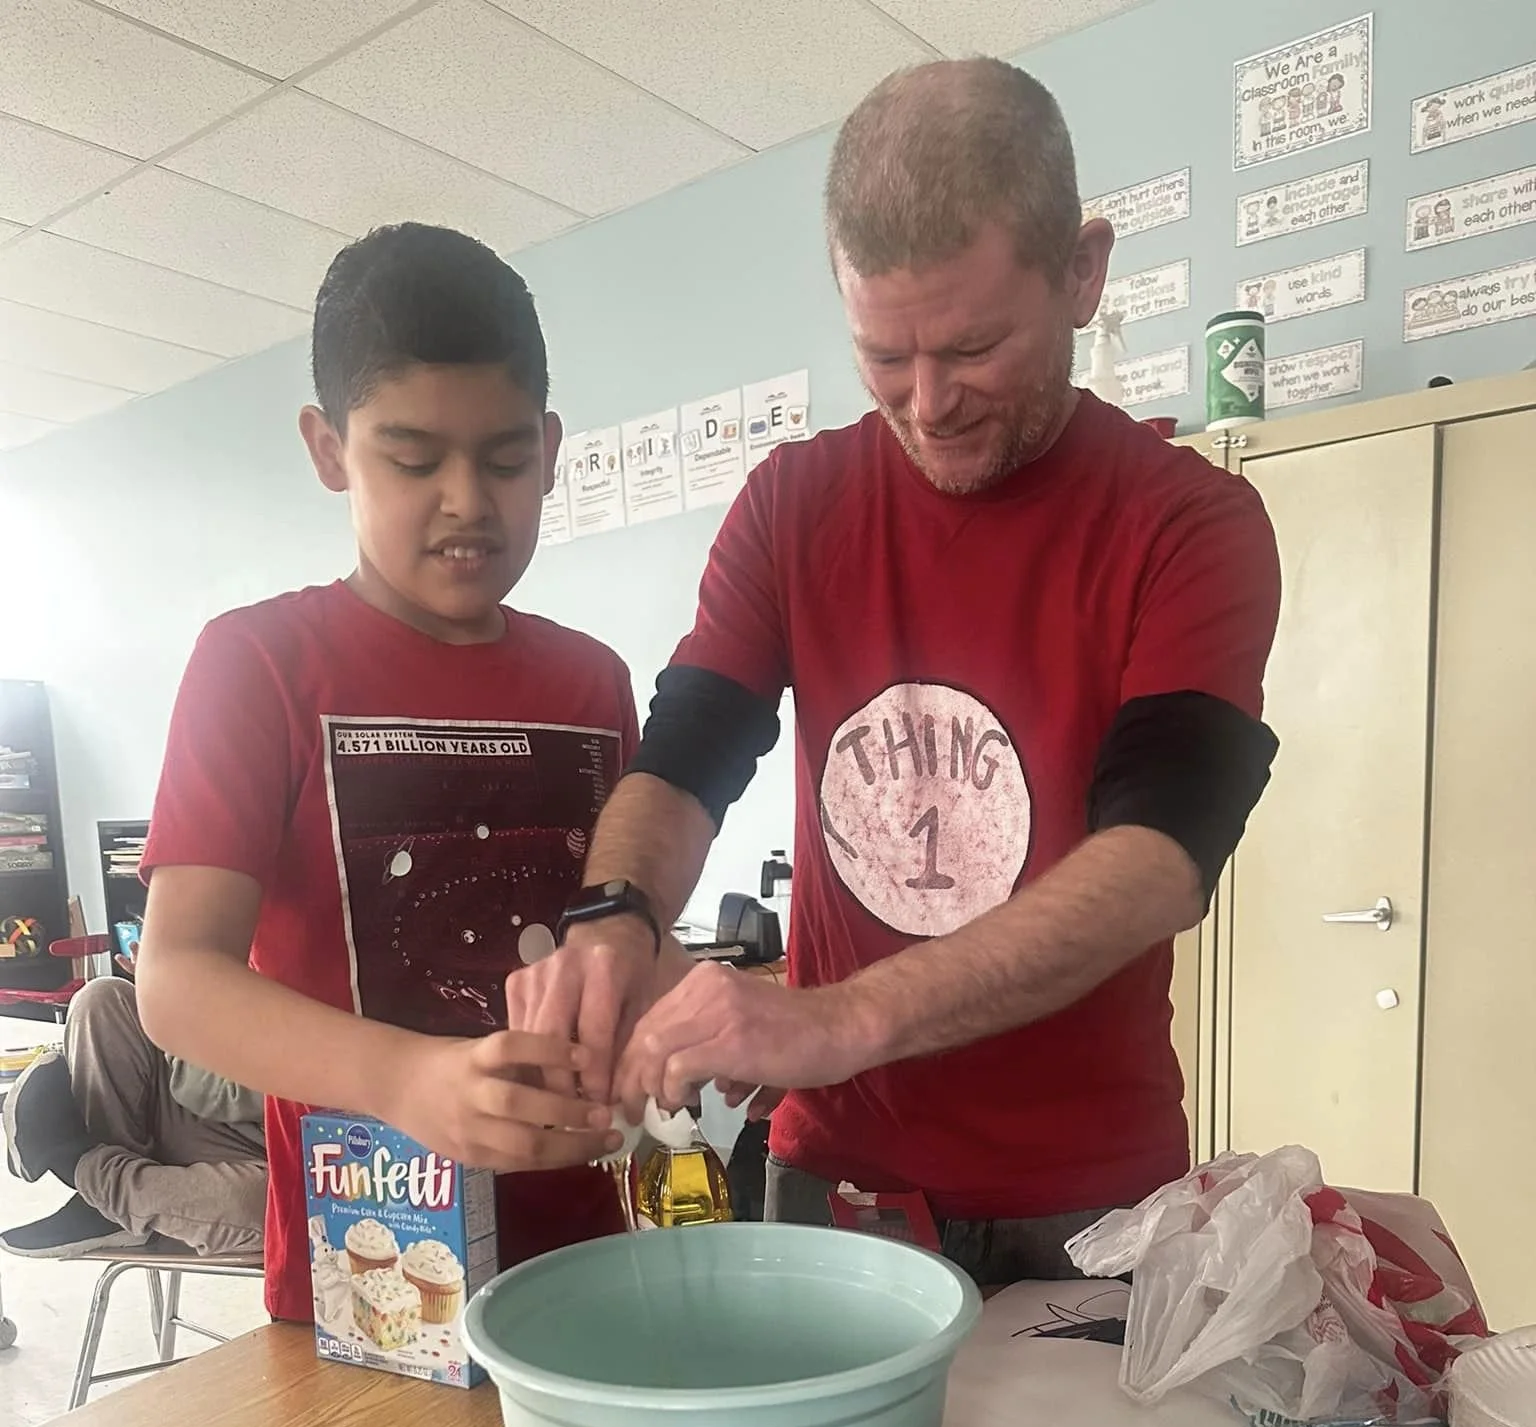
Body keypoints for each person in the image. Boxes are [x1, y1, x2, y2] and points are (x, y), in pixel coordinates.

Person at [506, 59, 1283, 1288]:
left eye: (973, 347)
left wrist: (830, 1019)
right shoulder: (792, 505)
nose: (928, 408)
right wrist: (617, 913)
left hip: (1090, 1198)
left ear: (1083, 272)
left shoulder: (1193, 522)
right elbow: (690, 752)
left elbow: (1157, 860)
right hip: (842, 1180)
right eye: (883, 356)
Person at [134, 225, 636, 1324]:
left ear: (549, 448)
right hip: (367, 1284)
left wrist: (680, 1006)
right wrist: (407, 1079)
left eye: (505, 458)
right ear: (328, 449)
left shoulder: (591, 682)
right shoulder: (258, 663)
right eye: (413, 460)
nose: (467, 499)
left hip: (581, 1260)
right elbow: (174, 979)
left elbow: (613, 928)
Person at [1, 977, 266, 1257]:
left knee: (266, 1205)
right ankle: (109, 1208)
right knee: (103, 999)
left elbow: (212, 1093)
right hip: (223, 1114)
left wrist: (174, 1006)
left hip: (291, 1161)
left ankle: (75, 1162)